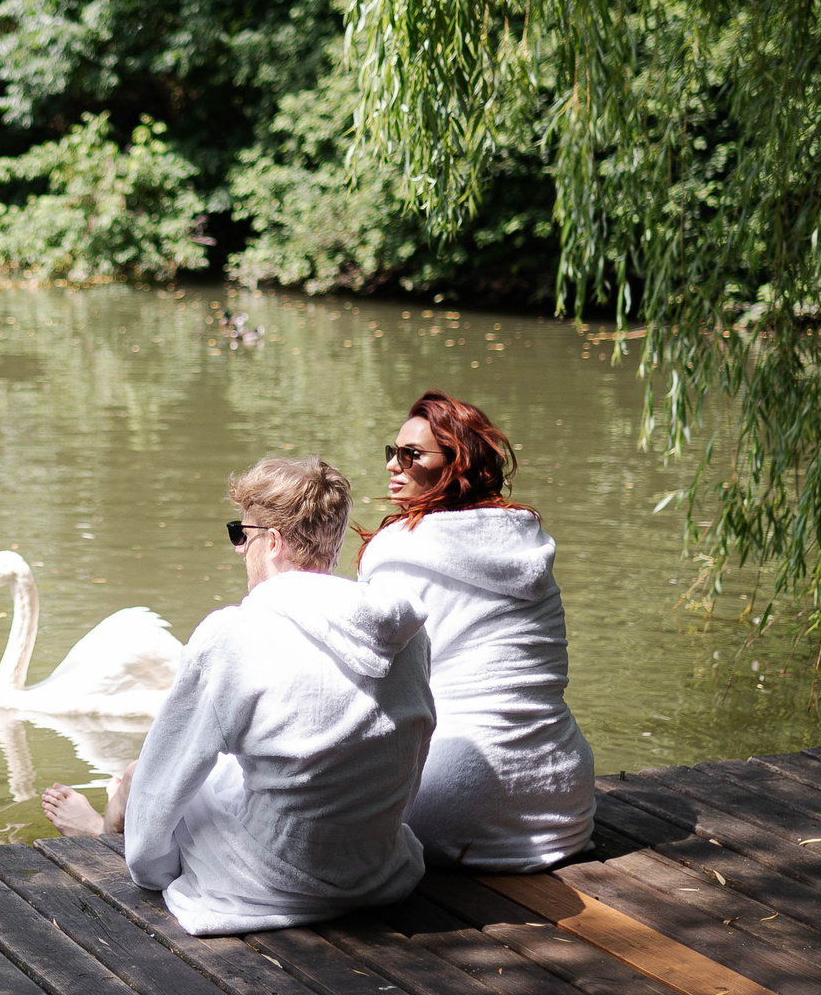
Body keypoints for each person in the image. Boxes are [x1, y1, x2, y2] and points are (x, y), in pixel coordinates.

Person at [41, 457, 435, 936]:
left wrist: (150, 872)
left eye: (240, 533)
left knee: (142, 774)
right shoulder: (406, 635)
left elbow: (162, 794)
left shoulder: (234, 637)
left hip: (272, 881)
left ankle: (101, 830)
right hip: (377, 873)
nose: (237, 549)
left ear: (272, 542)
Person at [359, 391, 595, 870]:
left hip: (458, 801)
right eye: (392, 452)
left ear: (456, 464)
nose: (393, 466)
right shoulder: (526, 544)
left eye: (411, 455)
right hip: (565, 800)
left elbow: (372, 687)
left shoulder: (401, 553)